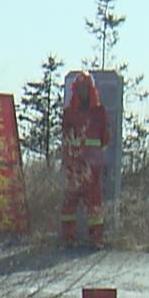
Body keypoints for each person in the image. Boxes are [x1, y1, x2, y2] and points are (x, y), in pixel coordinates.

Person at [60, 71, 110, 246]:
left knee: (94, 201)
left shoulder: (99, 112)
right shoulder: (68, 113)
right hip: (74, 163)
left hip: (92, 165)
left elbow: (105, 137)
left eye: (85, 88)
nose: (82, 91)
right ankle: (68, 238)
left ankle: (96, 238)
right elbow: (65, 135)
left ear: (91, 90)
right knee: (70, 201)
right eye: (79, 88)